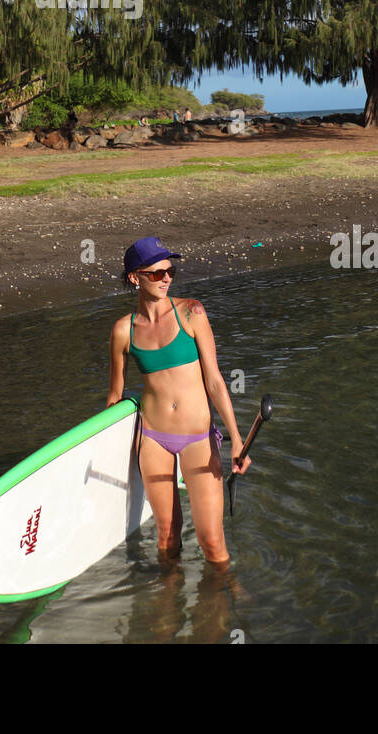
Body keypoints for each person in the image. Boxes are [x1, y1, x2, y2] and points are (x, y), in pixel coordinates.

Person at [108, 235, 249, 565]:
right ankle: (167, 607)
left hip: (198, 438)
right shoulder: (122, 331)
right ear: (135, 278)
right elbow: (115, 396)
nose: (166, 278)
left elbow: (214, 381)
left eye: (169, 271)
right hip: (153, 439)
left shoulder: (192, 313)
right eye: (156, 273)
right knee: (167, 538)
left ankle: (224, 604)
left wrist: (237, 439)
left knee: (212, 542)